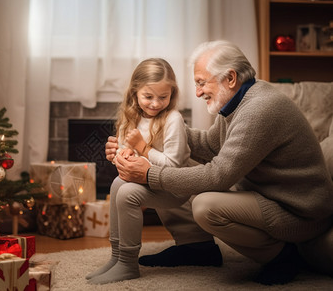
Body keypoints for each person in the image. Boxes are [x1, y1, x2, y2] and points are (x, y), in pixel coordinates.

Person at [105, 40, 333, 285]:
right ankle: (196, 247)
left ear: (230, 78)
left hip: (297, 211)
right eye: (196, 84)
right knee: (176, 163)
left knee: (205, 204)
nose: (198, 92)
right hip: (266, 195)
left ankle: (281, 257)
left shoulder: (259, 109)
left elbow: (218, 176)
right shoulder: (238, 101)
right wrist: (161, 134)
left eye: (202, 83)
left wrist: (149, 173)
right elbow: (210, 145)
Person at [86, 58, 191, 284]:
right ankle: (117, 257)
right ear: (135, 93)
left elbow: (173, 167)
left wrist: (144, 148)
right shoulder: (131, 117)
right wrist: (118, 156)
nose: (155, 103)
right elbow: (128, 161)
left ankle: (128, 263)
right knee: (117, 184)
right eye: (148, 97)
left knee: (127, 193)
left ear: (172, 94)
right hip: (151, 182)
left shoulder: (173, 119)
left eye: (163, 97)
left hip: (175, 187)